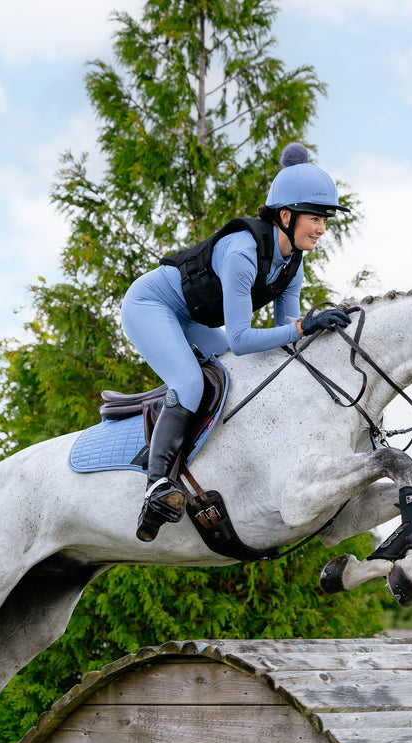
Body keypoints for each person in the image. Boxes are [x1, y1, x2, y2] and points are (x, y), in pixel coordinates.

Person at [121, 143, 353, 542]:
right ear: (286, 215)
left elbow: (285, 337)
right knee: (191, 382)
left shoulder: (292, 264)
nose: (321, 230)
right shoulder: (243, 253)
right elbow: (244, 339)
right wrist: (304, 328)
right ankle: (157, 483)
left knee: (233, 372)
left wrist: (316, 332)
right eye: (315, 218)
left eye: (324, 221)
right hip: (150, 305)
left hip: (190, 316)